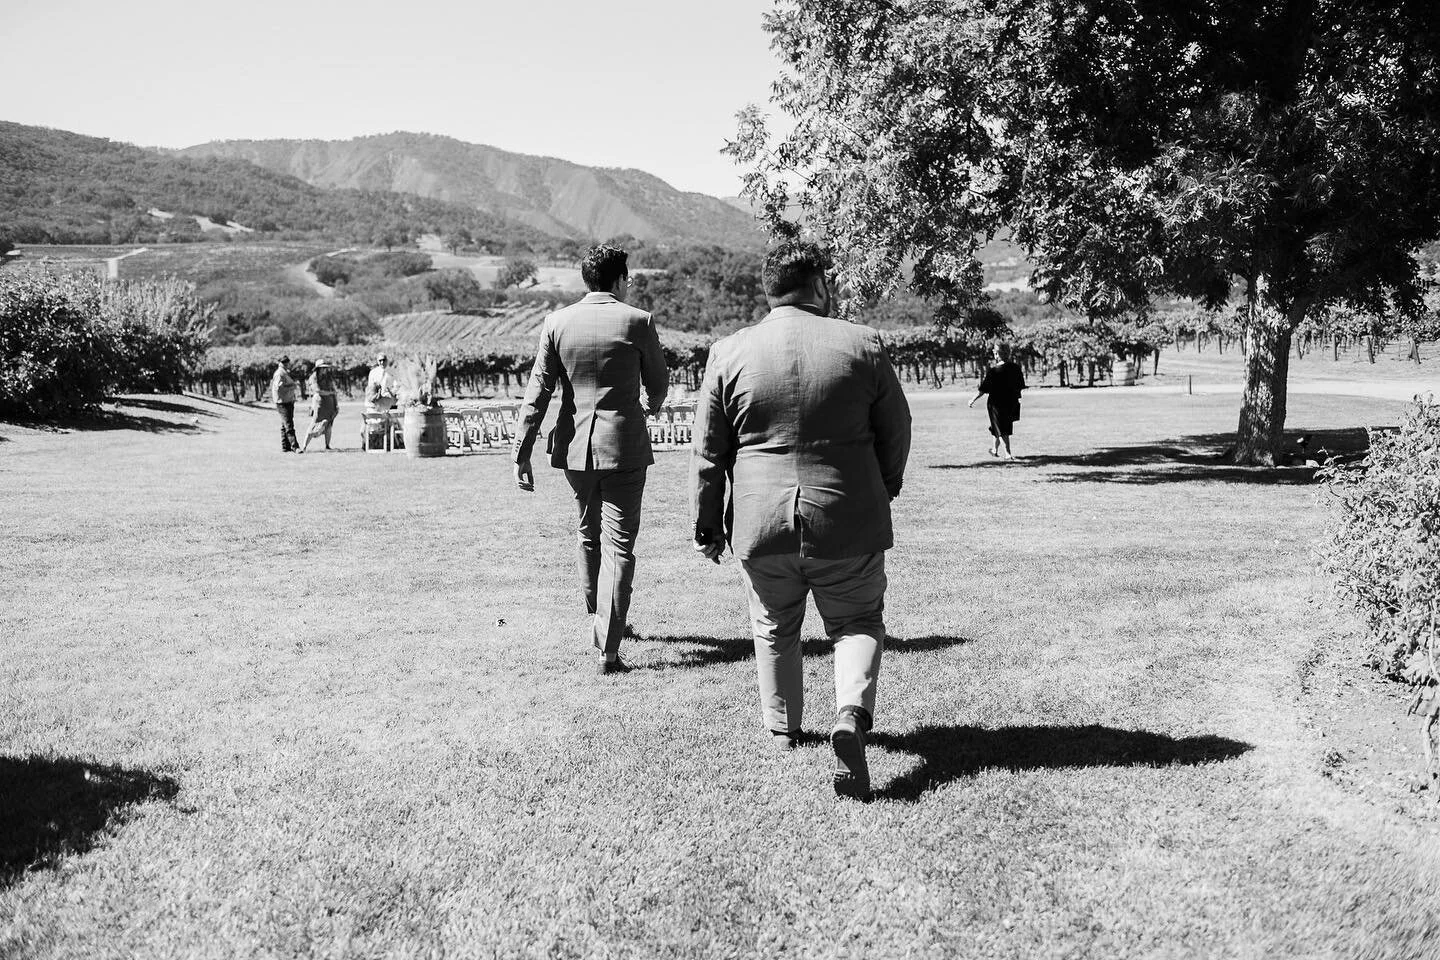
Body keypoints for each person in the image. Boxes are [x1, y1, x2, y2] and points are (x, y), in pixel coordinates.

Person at [691, 240, 912, 801]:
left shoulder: (728, 352)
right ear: (819, 286)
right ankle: (850, 714)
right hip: (847, 515)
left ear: (770, 290)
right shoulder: (862, 344)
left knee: (773, 624)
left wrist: (709, 525)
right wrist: (883, 486)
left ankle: (783, 728)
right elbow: (897, 429)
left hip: (761, 522)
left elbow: (708, 454)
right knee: (857, 620)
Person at [513, 244, 669, 674]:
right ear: (619, 280)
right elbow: (658, 381)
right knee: (620, 547)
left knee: (587, 535)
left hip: (575, 450)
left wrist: (520, 453)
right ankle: (609, 650)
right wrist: (651, 404)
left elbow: (537, 394)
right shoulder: (639, 321)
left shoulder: (556, 323)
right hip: (625, 448)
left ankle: (597, 620)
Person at [969, 342, 1026, 459]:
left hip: (996, 403)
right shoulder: (1016, 368)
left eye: (994, 353)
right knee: (1000, 426)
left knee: (1001, 428)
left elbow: (983, 389)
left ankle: (1008, 454)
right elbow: (1020, 386)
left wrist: (972, 400)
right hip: (1011, 402)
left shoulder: (994, 371)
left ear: (997, 354)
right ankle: (994, 450)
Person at [300, 358, 339, 453]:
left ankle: (327, 446)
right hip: (319, 404)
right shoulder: (313, 378)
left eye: (325, 368)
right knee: (314, 424)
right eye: (322, 368)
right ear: (318, 368)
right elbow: (317, 391)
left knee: (329, 425)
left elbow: (334, 392)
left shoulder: (328, 377)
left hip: (330, 404)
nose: (324, 370)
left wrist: (336, 404)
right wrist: (330, 393)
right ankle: (304, 446)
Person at [270, 356, 299, 453]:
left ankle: (285, 447)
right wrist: (292, 386)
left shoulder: (284, 372)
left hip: (286, 401)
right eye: (286, 363)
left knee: (284, 425)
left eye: (287, 363)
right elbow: (280, 388)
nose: (287, 364)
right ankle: (295, 447)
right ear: (282, 363)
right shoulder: (280, 373)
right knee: (289, 425)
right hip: (283, 402)